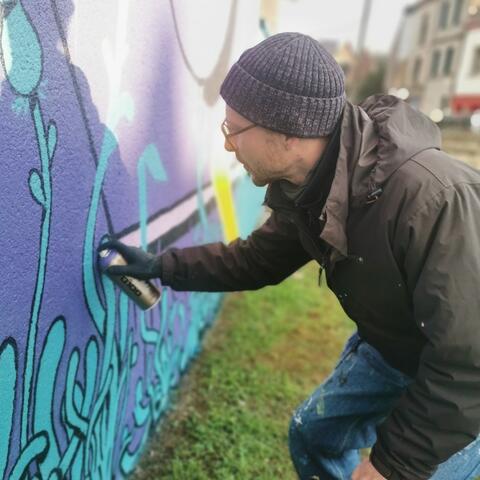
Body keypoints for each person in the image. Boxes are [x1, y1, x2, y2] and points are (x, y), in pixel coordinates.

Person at [99, 33, 480, 480]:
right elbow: (256, 260)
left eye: (234, 130)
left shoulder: (431, 199)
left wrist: (392, 465)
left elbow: (466, 360)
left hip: (462, 382)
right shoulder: (316, 185)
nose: (228, 145)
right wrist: (162, 266)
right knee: (312, 435)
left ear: (290, 132)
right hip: (394, 349)